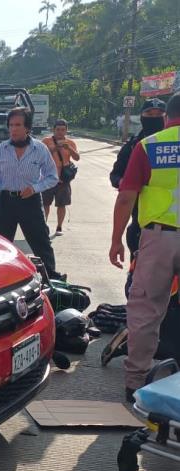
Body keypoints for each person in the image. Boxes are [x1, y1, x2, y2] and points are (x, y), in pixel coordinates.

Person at [109, 92, 180, 403]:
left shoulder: (149, 146)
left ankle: (136, 382)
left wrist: (115, 240)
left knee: (146, 310)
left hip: (159, 238)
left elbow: (126, 197)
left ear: (168, 117)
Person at [0, 107, 64, 279]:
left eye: (18, 125)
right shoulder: (1, 149)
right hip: (6, 201)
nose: (13, 129)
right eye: (11, 125)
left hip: (30, 201)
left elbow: (52, 177)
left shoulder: (40, 149)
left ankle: (51, 279)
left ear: (27, 127)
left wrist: (35, 188)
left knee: (41, 243)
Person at [110, 98, 167, 257]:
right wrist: (126, 183)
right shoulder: (134, 145)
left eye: (159, 114)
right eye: (149, 113)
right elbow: (115, 175)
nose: (154, 117)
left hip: (172, 224)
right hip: (141, 219)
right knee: (138, 274)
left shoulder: (173, 145)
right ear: (142, 116)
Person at [42, 119, 80, 235]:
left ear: (66, 130)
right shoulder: (46, 141)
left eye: (63, 130)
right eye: (58, 129)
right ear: (53, 130)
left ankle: (59, 227)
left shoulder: (70, 143)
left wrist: (69, 148)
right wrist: (54, 149)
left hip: (64, 178)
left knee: (61, 204)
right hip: (48, 178)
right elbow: (41, 156)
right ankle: (43, 227)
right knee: (45, 204)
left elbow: (77, 158)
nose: (60, 132)